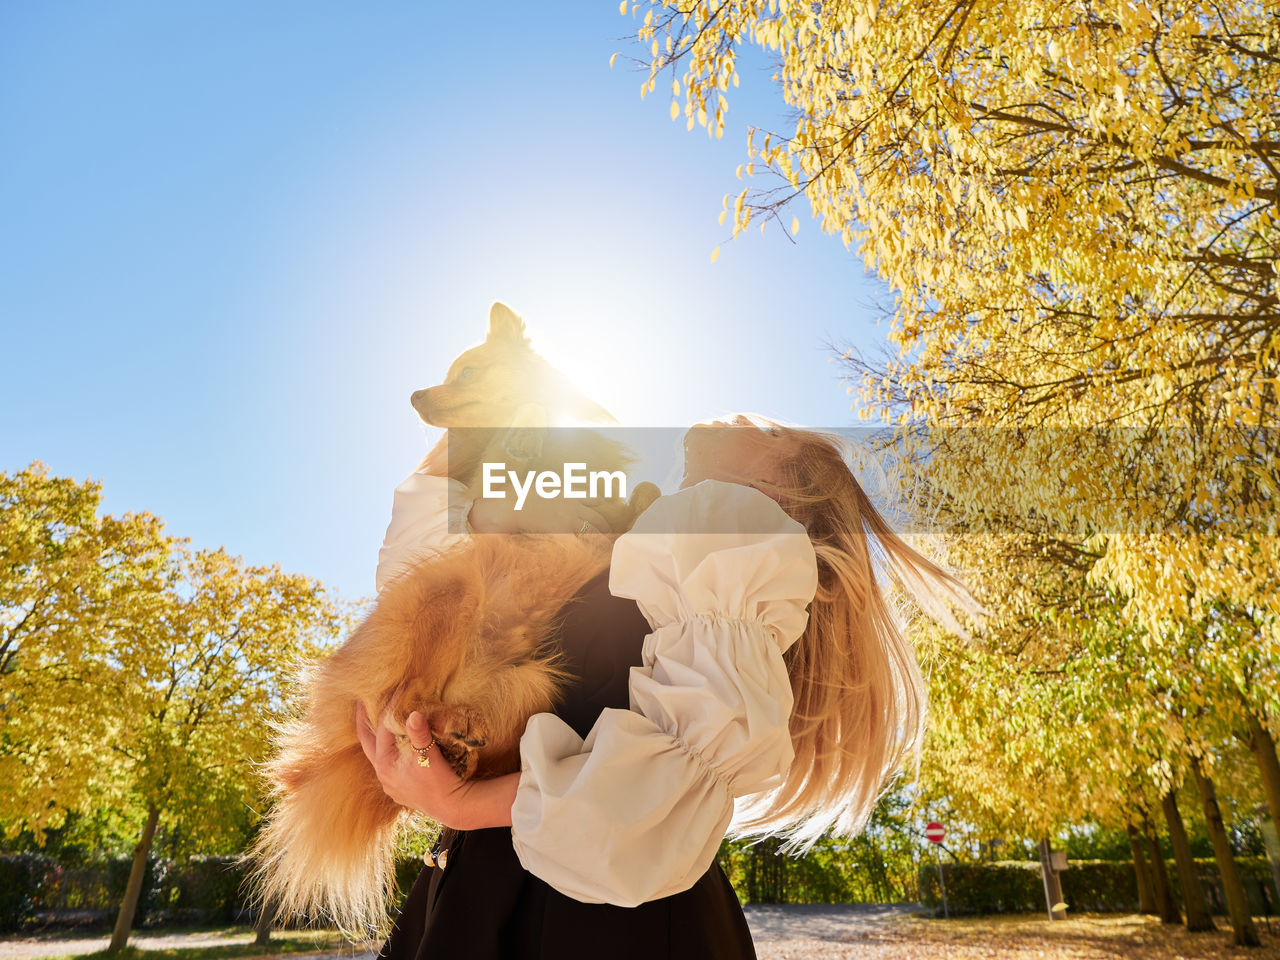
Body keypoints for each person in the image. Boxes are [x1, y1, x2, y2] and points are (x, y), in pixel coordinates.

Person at [356, 414, 982, 959]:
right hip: (511, 900)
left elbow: (664, 788)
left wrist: (458, 806)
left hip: (594, 927)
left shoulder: (727, 545)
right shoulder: (657, 547)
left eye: (762, 430)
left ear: (785, 491)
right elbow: (428, 588)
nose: (735, 415)